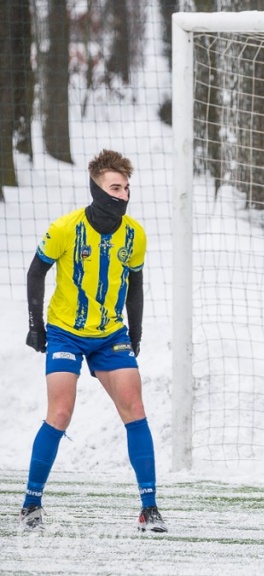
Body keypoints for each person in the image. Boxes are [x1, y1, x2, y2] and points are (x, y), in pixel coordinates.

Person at [20, 150, 165, 533]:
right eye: (115, 187)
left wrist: (135, 333)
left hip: (110, 335)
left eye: (127, 188)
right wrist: (37, 326)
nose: (123, 195)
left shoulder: (134, 235)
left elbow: (135, 286)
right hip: (66, 331)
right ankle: (31, 503)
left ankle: (149, 509)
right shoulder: (66, 228)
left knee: (134, 405)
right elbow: (36, 273)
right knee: (61, 412)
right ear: (96, 189)